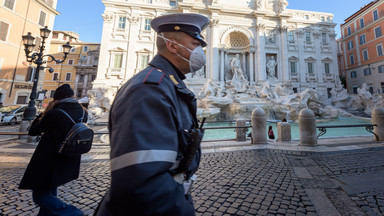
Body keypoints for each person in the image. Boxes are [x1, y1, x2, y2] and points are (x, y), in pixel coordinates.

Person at [95, 13, 209, 215]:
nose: (200, 51)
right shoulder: (149, 89)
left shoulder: (168, 84)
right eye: (195, 44)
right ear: (173, 46)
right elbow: (143, 181)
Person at [19, 84, 86, 216]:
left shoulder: (54, 113)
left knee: (40, 196)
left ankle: (73, 212)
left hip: (47, 159)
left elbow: (33, 131)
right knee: (50, 190)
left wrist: (43, 114)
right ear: (72, 96)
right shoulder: (83, 112)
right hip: (67, 158)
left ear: (56, 98)